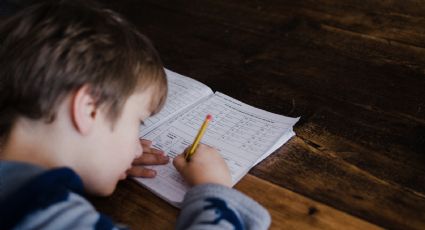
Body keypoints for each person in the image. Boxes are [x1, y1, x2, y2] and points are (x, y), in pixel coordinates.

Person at [0, 1, 271, 229]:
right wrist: (215, 191)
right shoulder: (43, 213)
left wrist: (92, 161)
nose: (135, 147)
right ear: (89, 110)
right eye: (138, 122)